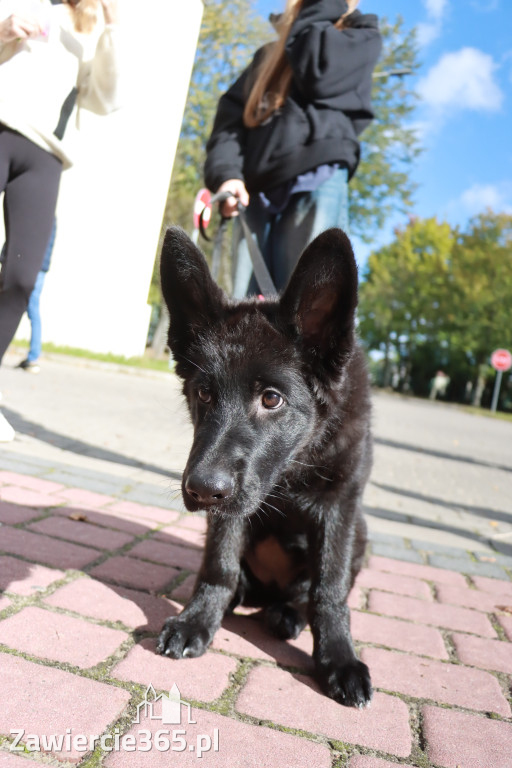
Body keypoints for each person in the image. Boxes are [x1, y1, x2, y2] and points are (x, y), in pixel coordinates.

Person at [0, 0, 122, 440]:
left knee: (20, 277)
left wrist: (112, 27)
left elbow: (106, 98)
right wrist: (3, 29)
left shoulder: (85, 26)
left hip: (45, 155)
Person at [204, 0, 382, 298]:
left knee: (309, 312)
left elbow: (320, 74)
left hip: (317, 181)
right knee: (244, 309)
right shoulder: (266, 57)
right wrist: (227, 174)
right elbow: (230, 124)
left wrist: (313, 14)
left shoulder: (361, 36)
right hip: (253, 196)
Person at [16, 217, 57, 373]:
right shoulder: (48, 215)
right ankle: (33, 357)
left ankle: (33, 357)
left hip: (33, 266)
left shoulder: (41, 214)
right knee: (31, 310)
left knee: (26, 308)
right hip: (38, 267)